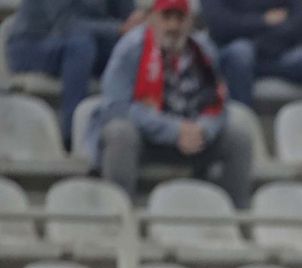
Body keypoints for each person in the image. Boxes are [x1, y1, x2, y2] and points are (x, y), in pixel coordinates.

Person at [91, 0, 254, 209]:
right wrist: (172, 130)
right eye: (166, 17)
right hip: (145, 138)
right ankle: (119, 214)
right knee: (119, 132)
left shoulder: (203, 50)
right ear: (151, 18)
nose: (173, 26)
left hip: (192, 138)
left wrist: (203, 129)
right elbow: (115, 107)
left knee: (238, 136)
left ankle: (236, 216)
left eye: (180, 18)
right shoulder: (130, 49)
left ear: (190, 22)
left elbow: (218, 103)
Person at [4, 0, 141, 145]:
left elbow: (129, 19)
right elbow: (67, 25)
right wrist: (118, 28)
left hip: (88, 42)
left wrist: (138, 20)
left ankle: (138, 124)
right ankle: (72, 135)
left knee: (132, 48)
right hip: (33, 44)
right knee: (80, 46)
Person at [202, 0, 302, 109]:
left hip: (279, 52)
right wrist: (263, 20)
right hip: (233, 55)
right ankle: (245, 131)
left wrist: (261, 42)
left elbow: (299, 23)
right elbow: (219, 24)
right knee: (241, 52)